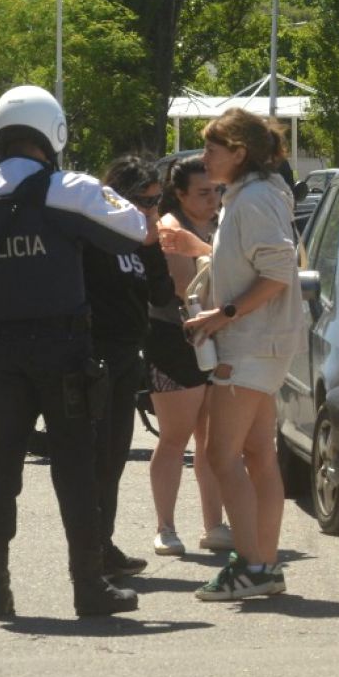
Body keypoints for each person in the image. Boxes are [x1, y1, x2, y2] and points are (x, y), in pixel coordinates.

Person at [0, 85, 145, 617]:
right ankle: (88, 587)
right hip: (62, 347)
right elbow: (134, 229)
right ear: (53, 132)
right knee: (75, 465)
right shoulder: (68, 189)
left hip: (0, 348)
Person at [177, 110, 304, 601]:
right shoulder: (254, 194)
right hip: (261, 343)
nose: (204, 157)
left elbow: (278, 272)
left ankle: (253, 565)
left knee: (220, 455)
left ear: (239, 152)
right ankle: (262, 564)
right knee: (257, 455)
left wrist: (222, 314)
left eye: (212, 149)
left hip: (250, 344)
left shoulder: (252, 199)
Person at [80, 155, 175, 583]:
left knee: (115, 456)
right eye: (144, 200)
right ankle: (91, 551)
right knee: (97, 458)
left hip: (126, 358)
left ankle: (104, 545)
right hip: (96, 359)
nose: (152, 209)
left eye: (157, 201)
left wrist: (152, 245)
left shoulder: (141, 240)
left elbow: (162, 294)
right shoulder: (95, 238)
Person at [142, 155, 229, 555]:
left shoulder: (217, 225)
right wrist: (215, 256)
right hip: (174, 340)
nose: (213, 200)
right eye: (203, 193)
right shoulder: (170, 229)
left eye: (217, 191)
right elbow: (186, 286)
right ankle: (166, 527)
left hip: (216, 337)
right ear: (179, 194)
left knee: (213, 439)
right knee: (175, 438)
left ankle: (215, 524)